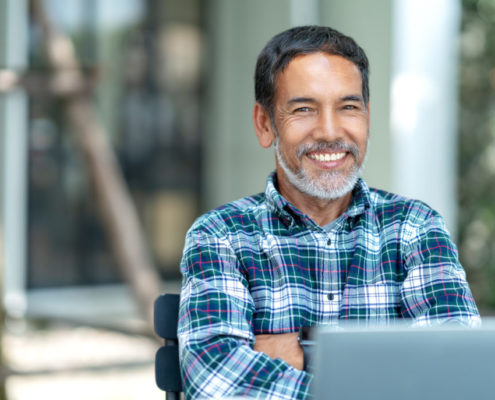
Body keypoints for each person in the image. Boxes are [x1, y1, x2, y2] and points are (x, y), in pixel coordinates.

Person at [177, 25, 480, 399]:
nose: (329, 130)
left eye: (348, 107)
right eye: (304, 109)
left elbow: (457, 375)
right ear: (264, 124)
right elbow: (217, 381)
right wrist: (385, 380)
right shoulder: (221, 235)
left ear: (367, 117)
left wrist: (301, 352)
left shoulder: (415, 228)